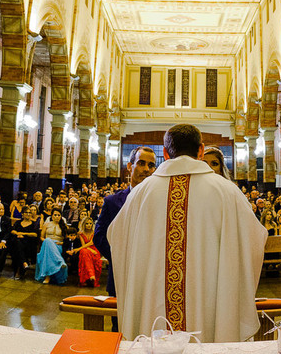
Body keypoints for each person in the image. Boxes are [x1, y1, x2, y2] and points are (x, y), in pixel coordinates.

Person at [110, 124, 267, 343]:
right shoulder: (227, 191)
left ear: (165, 154)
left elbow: (117, 238)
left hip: (154, 305)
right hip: (211, 304)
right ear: (201, 151)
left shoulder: (141, 193)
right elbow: (254, 239)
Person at [94, 145, 158, 297]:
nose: (146, 169)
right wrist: (118, 256)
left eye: (151, 165)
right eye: (141, 163)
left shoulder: (159, 201)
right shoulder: (112, 201)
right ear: (130, 166)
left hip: (149, 276)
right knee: (118, 320)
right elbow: (99, 236)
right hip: (120, 273)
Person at [37, 209, 68, 284]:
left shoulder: (64, 226)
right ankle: (60, 261)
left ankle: (48, 277)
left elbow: (67, 240)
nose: (57, 217)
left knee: (49, 247)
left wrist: (61, 243)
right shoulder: (46, 224)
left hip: (58, 246)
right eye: (55, 215)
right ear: (52, 216)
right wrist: (47, 241)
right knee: (48, 241)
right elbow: (41, 237)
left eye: (58, 215)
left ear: (61, 216)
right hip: (46, 245)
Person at [73, 216, 104, 287]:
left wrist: (78, 249)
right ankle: (91, 275)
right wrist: (89, 250)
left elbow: (91, 243)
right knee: (84, 252)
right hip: (87, 250)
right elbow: (84, 245)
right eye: (87, 223)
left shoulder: (94, 232)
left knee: (83, 251)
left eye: (90, 223)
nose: (89, 225)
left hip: (95, 250)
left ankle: (91, 276)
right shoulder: (81, 234)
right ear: (84, 224)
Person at [11, 205, 41, 279]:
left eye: (29, 213)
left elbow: (35, 234)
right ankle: (24, 263)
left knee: (18, 246)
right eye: (26, 212)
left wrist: (23, 234)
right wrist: (18, 233)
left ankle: (18, 271)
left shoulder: (34, 224)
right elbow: (12, 230)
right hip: (18, 245)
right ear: (22, 214)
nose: (28, 214)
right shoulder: (18, 222)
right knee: (18, 243)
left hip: (29, 245)